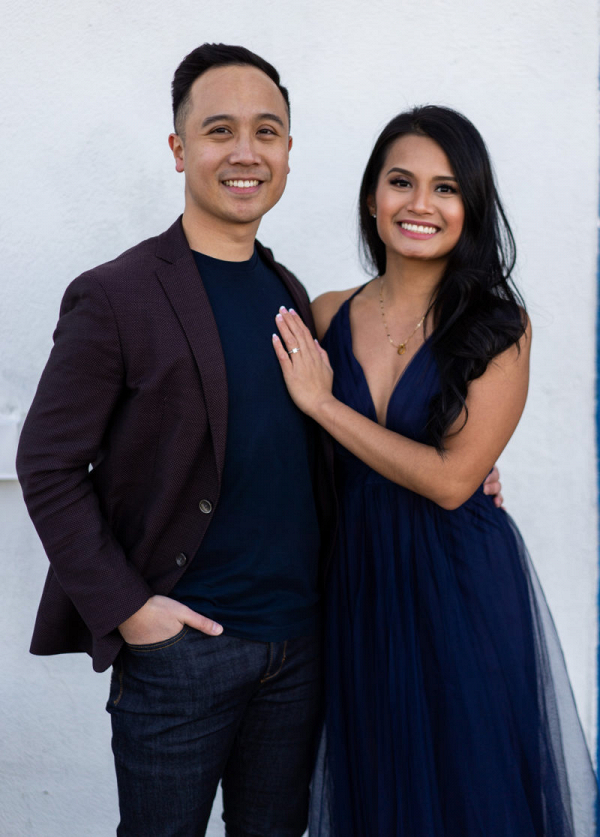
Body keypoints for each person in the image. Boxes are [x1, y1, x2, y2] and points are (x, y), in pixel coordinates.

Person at [16, 47, 502, 835]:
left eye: (266, 131)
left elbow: (322, 437)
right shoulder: (116, 295)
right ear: (179, 149)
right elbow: (46, 463)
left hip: (302, 645)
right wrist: (132, 610)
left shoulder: (289, 295)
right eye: (220, 131)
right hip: (185, 652)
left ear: (286, 150)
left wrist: (469, 460)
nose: (246, 152)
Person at [272, 106, 597, 836]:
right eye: (401, 182)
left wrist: (326, 405)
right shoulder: (324, 313)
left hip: (461, 583)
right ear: (370, 197)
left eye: (446, 188)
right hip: (359, 580)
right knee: (379, 791)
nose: (421, 204)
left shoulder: (498, 324)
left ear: (471, 207)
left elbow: (454, 481)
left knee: (469, 790)